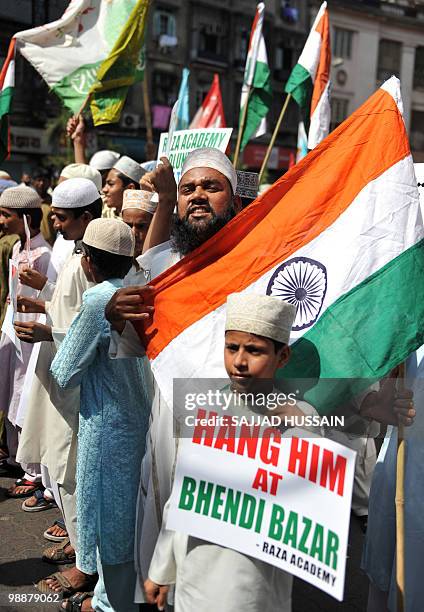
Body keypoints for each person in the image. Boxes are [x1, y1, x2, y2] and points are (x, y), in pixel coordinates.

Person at [105, 148, 243, 598]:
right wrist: (116, 311)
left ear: (234, 199)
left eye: (211, 186)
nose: (198, 196)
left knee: (220, 571)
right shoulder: (162, 268)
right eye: (188, 189)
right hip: (166, 431)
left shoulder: (257, 265)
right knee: (161, 564)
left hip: (233, 437)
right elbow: (130, 343)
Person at [144, 292, 316, 611]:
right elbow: (182, 497)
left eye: (254, 350)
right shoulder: (207, 410)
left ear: (282, 357)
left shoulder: (301, 421)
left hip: (253, 588)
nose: (239, 361)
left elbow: (309, 504)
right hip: (193, 578)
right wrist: (162, 569)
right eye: (232, 348)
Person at [50, 218, 151, 612]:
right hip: (138, 418)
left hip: (108, 424)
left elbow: (64, 371)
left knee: (111, 519)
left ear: (89, 261)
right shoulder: (139, 290)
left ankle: (109, 603)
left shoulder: (98, 301)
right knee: (128, 514)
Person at [15, 178, 102, 591]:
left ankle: (86, 563)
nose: (57, 224)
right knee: (58, 464)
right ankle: (79, 543)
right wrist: (45, 301)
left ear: (88, 217)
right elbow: (71, 306)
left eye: (64, 218)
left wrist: (50, 333)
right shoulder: (77, 252)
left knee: (70, 468)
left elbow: (97, 328)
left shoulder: (99, 261)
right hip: (56, 375)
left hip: (75, 382)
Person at [0, 186, 51, 498]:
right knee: (10, 393)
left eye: (6, 215)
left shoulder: (44, 255)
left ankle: (33, 471)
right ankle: (18, 459)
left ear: (26, 218)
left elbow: (46, 296)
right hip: (13, 330)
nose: (2, 221)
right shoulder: (17, 250)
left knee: (26, 396)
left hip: (33, 335)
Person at [121, 189, 156, 286]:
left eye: (141, 226)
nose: (133, 233)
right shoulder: (115, 264)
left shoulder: (163, 263)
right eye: (128, 225)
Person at [32, 168, 55, 246]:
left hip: (51, 244)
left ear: (49, 183)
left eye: (44, 180)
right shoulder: (29, 202)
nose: (41, 183)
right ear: (33, 182)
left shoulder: (54, 203)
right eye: (38, 180)